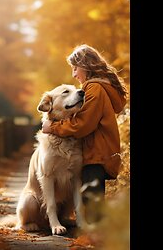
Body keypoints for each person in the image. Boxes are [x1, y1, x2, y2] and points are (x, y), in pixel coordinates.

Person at [42, 44, 128, 224]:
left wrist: (54, 128)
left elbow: (82, 125)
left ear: (86, 66)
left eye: (75, 68)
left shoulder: (94, 89)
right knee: (93, 199)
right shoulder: (98, 87)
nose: (74, 74)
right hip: (98, 151)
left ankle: (93, 240)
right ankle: (94, 236)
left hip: (96, 152)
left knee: (92, 203)